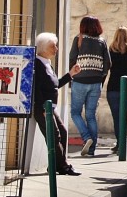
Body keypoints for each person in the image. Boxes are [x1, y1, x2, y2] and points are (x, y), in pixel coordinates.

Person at [32, 33, 82, 176]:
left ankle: (56, 165)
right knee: (54, 135)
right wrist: (42, 107)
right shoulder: (37, 64)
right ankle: (64, 166)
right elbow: (37, 88)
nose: (56, 49)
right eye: (52, 46)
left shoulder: (47, 63)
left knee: (63, 132)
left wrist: (70, 74)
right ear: (42, 48)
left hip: (50, 107)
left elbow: (55, 85)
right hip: (42, 107)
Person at [69, 16, 110, 156]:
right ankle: (91, 150)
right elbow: (107, 64)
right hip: (96, 82)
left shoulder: (79, 39)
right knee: (91, 115)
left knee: (75, 112)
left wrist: (72, 76)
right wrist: (100, 78)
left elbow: (72, 59)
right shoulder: (102, 41)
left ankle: (86, 138)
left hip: (80, 81)